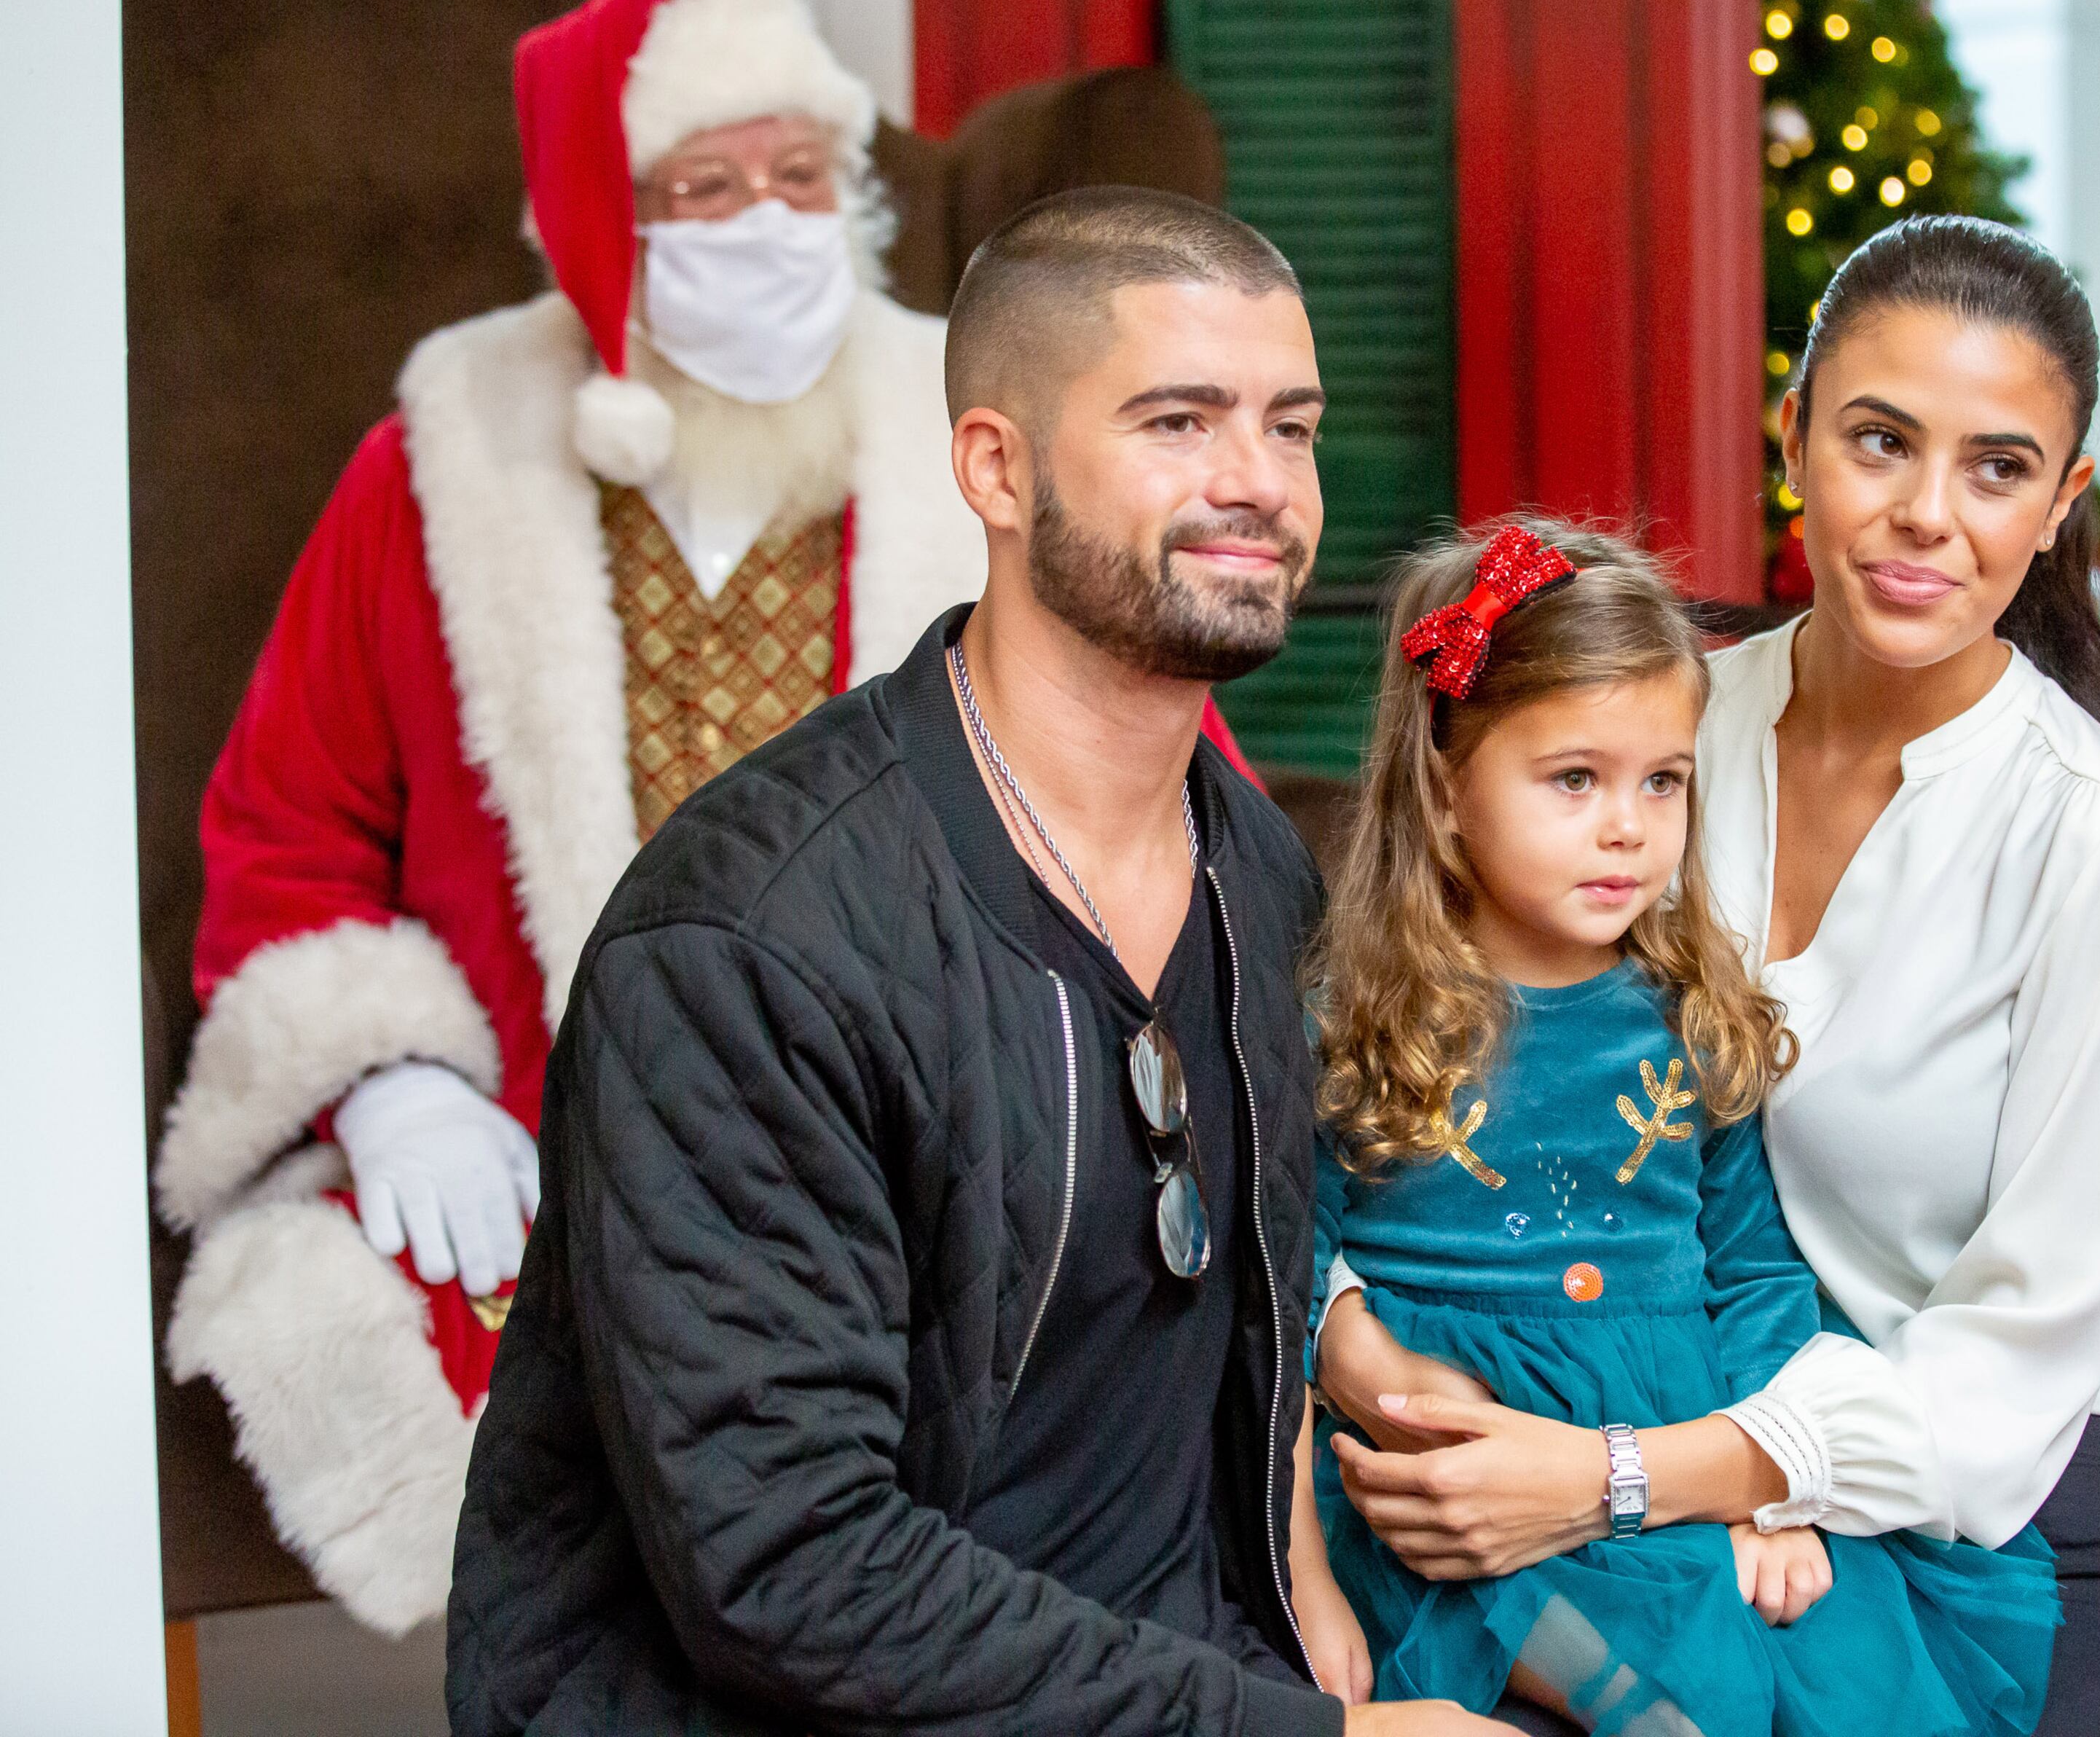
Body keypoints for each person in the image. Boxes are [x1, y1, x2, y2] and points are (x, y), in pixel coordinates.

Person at [447, 186, 1507, 1737]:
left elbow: (1243, 1299)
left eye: (1292, 426)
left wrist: (1298, 1582)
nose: (1259, 483)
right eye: (1178, 420)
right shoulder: (753, 942)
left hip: (1181, 1667)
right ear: (996, 467)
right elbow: (788, 1566)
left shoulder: (1257, 864)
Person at [149, 0, 994, 1634]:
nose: (766, 223)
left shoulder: (969, 427)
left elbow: (1142, 762)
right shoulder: (445, 454)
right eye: (706, 189)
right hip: (556, 1135)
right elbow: (287, 818)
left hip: (915, 1117)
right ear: (613, 226)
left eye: (799, 178)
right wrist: (386, 1082)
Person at [1318, 217, 2100, 1733]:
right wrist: (1362, 1343)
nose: (1928, 513)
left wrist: (1610, 1478)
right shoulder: (1657, 737)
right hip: (1630, 1462)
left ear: (2062, 505)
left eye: (1999, 468)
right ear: (1794, 432)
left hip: (2015, 1501)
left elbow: (2017, 1357)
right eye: (1881, 439)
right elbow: (1395, 1059)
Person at [1294, 521, 2059, 1737]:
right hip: (1451, 1462)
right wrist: (1310, 1561)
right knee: (1675, 1705)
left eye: (1665, 780)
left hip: (1663, 1448)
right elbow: (1285, 1283)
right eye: (1574, 780)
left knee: (1838, 1681)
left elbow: (1752, 1271)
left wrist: (1767, 1494)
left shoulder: (1689, 1017)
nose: (1628, 828)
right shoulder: (1361, 1024)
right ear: (1446, 790)